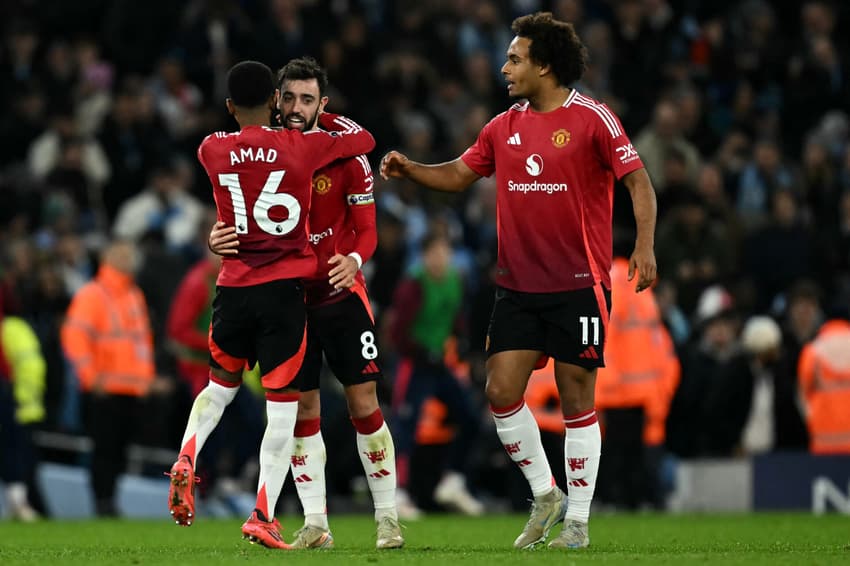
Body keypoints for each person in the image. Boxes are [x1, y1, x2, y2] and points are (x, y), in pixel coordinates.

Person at [380, 12, 657, 549]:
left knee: (578, 396)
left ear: (545, 66)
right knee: (501, 389)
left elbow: (638, 181)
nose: (504, 67)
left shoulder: (594, 119)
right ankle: (546, 493)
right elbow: (460, 174)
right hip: (519, 285)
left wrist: (643, 244)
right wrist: (412, 168)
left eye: (515, 58)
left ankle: (577, 521)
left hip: (580, 282)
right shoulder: (502, 126)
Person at [165, 60, 374, 550]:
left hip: (232, 288)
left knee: (218, 389)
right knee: (282, 411)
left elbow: (233, 182)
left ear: (230, 106)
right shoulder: (305, 147)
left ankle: (186, 456)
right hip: (282, 294)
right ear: (277, 102)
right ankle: (262, 512)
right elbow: (363, 141)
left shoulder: (211, 148)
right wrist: (326, 116)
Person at [208, 57, 403, 550]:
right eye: (289, 97)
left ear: (323, 104)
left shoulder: (346, 155)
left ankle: (387, 518)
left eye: (308, 100)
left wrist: (356, 258)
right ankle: (316, 522)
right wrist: (218, 236)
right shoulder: (267, 149)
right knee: (300, 409)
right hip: (288, 298)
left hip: (340, 293)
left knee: (363, 403)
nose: (296, 108)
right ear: (276, 98)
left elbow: (368, 229)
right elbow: (233, 210)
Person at [61, 239, 170, 516]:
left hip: (131, 389)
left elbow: (141, 344)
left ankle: (109, 502)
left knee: (119, 451)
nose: (127, 258)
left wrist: (147, 381)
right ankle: (103, 503)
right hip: (105, 388)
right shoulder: (93, 294)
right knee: (105, 451)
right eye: (120, 253)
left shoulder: (134, 294)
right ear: (107, 257)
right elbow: (74, 335)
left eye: (129, 253)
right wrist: (89, 376)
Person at [388, 230, 484, 517]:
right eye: (436, 252)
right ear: (425, 255)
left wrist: (461, 340)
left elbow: (454, 316)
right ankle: (397, 494)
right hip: (413, 364)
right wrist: (420, 353)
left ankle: (453, 480)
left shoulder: (456, 280)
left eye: (446, 252)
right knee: (406, 429)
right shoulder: (413, 285)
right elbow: (397, 331)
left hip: (439, 363)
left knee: (469, 418)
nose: (441, 258)